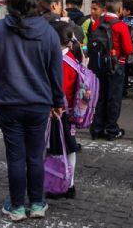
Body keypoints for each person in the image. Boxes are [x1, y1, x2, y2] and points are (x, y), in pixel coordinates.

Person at [0, 0, 63, 221]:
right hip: (39, 104)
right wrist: (57, 100)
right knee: (36, 156)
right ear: (35, 2)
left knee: (15, 156)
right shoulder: (48, 32)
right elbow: (55, 72)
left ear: (9, 2)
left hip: (8, 103)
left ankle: (16, 207)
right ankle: (36, 204)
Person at [89, 0, 133, 140]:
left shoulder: (96, 23)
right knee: (114, 98)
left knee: (100, 96)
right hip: (116, 66)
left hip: (99, 65)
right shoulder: (121, 26)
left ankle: (96, 128)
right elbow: (127, 50)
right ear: (120, 9)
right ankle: (112, 129)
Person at [47, 21, 81, 199]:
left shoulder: (59, 62)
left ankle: (58, 184)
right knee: (70, 148)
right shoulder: (74, 57)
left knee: (55, 149)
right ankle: (70, 184)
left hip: (58, 111)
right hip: (71, 111)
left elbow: (58, 88)